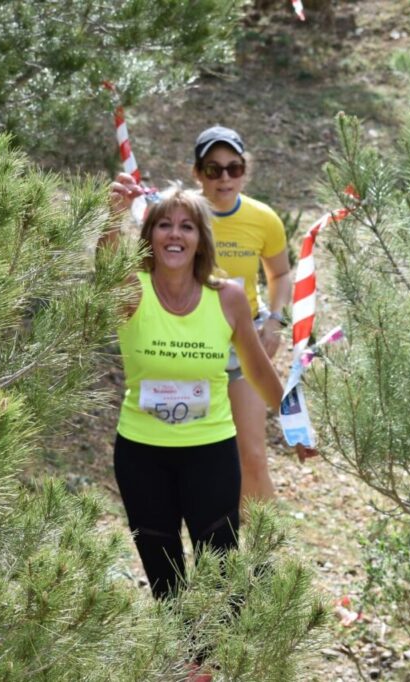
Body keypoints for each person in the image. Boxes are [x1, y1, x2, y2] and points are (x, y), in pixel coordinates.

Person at [101, 186, 292, 606]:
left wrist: (296, 426)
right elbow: (106, 268)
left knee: (221, 579)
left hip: (210, 453)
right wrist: (112, 214)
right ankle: (188, 666)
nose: (175, 234)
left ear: (201, 239)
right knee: (166, 586)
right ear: (149, 236)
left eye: (187, 226)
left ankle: (217, 664)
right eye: (164, 225)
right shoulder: (133, 291)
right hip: (142, 456)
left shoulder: (227, 298)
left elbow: (258, 368)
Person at [112, 126, 293, 504]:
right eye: (213, 169)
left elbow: (279, 273)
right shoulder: (176, 212)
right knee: (193, 457)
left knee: (253, 457)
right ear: (197, 172)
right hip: (185, 343)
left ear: (245, 170)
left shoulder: (264, 219)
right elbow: (130, 264)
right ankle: (204, 537)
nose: (224, 178)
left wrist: (275, 319)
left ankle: (261, 554)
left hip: (240, 341)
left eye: (234, 168)